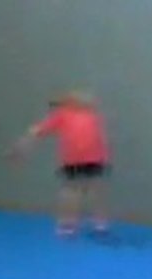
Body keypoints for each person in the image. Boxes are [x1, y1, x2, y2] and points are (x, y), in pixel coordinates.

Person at [8, 91, 111, 236]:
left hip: (87, 158)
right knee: (82, 190)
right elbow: (36, 132)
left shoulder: (83, 115)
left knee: (80, 190)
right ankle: (85, 224)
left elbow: (35, 132)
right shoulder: (74, 115)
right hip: (86, 159)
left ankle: (81, 224)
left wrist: (19, 148)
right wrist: (19, 148)